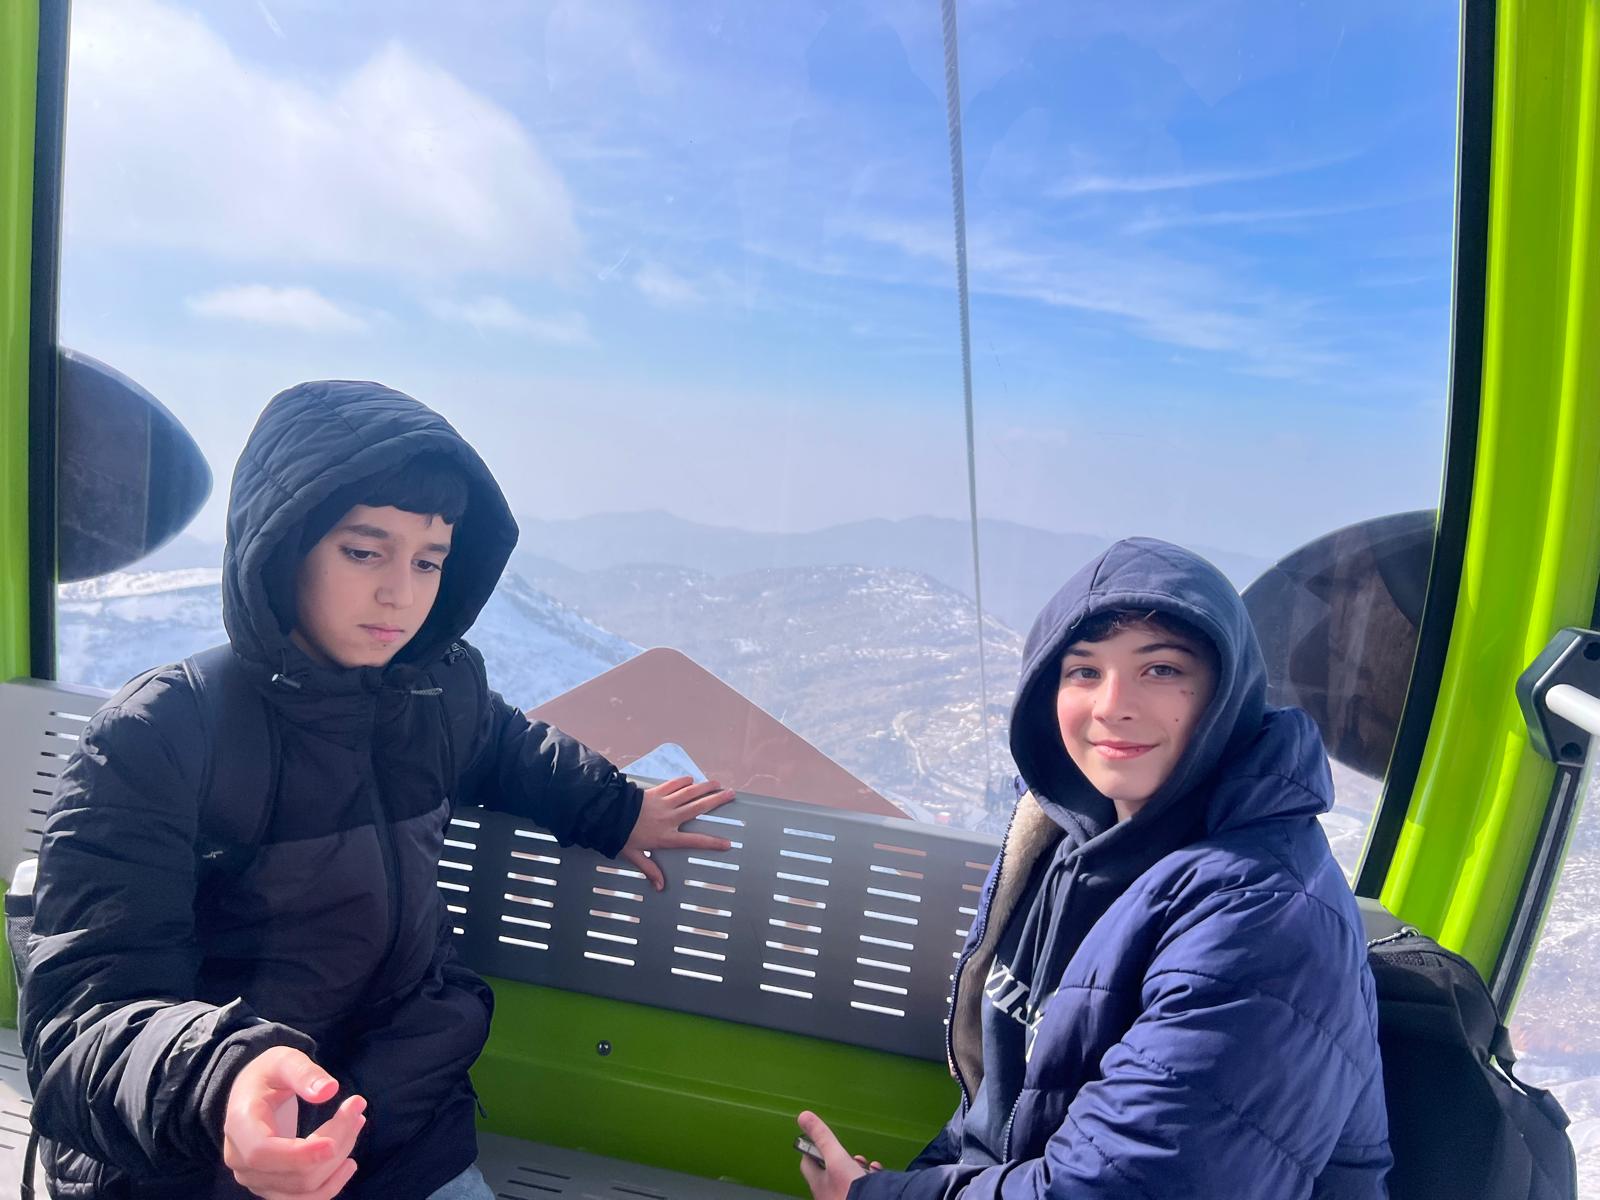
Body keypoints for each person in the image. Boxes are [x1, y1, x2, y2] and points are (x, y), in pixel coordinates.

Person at [22, 380, 735, 1200]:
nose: (402, 592)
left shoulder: (434, 693)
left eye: (429, 560)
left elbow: (507, 745)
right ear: (283, 544)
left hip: (401, 1126)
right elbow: (83, 1017)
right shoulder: (163, 734)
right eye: (364, 552)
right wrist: (222, 1087)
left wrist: (616, 810)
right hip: (205, 1156)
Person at [797, 537, 1392, 1198]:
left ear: (1226, 693)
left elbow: (1127, 1184)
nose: (1113, 705)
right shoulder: (1062, 844)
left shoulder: (1263, 916)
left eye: (1160, 668)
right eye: (1084, 671)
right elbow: (997, 1112)